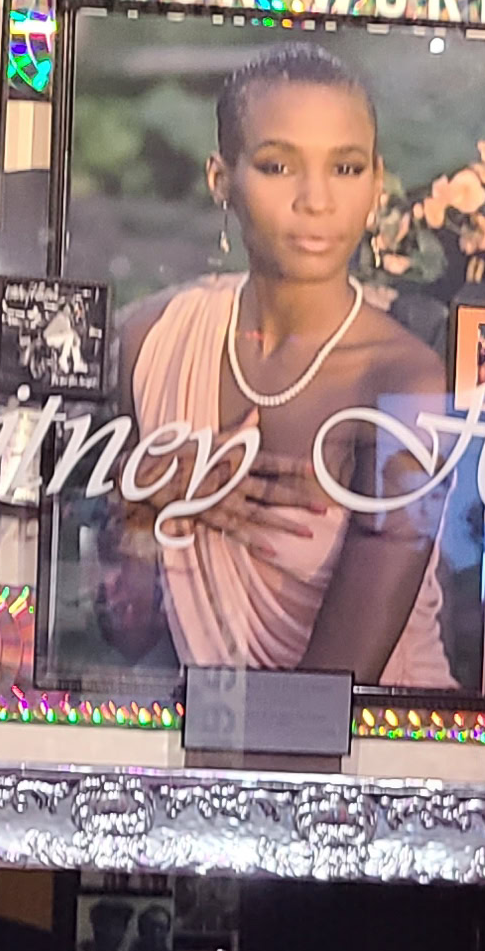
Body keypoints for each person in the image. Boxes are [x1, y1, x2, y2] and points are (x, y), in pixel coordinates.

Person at [114, 42, 452, 687]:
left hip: (371, 741)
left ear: (376, 183)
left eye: (346, 168)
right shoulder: (153, 341)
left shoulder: (400, 382)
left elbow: (328, 696)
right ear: (221, 180)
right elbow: (122, 634)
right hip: (188, 733)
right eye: (277, 165)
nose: (316, 199)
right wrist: (141, 514)